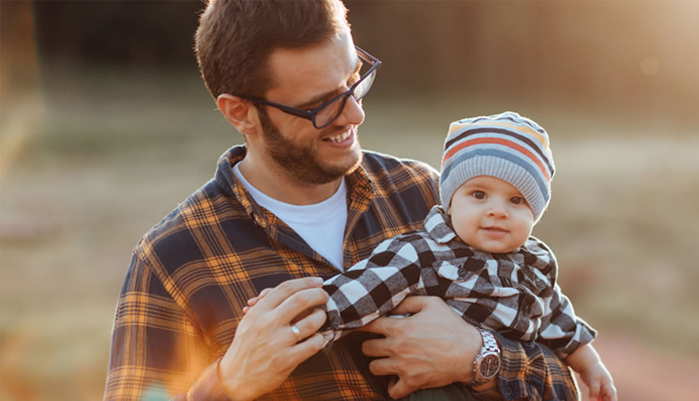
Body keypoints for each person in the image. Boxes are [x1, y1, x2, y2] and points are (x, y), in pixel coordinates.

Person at [104, 0, 581, 400]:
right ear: (240, 112)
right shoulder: (173, 261)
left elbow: (568, 379)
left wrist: (480, 356)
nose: (354, 112)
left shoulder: (429, 196)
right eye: (320, 104)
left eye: (354, 79)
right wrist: (228, 384)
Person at [246, 112, 617, 401]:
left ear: (535, 213)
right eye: (479, 194)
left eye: (516, 200)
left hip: (505, 386)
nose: (497, 211)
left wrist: (591, 364)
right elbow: (359, 292)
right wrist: (296, 315)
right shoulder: (424, 252)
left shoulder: (536, 263)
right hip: (437, 389)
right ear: (450, 199)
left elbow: (558, 318)